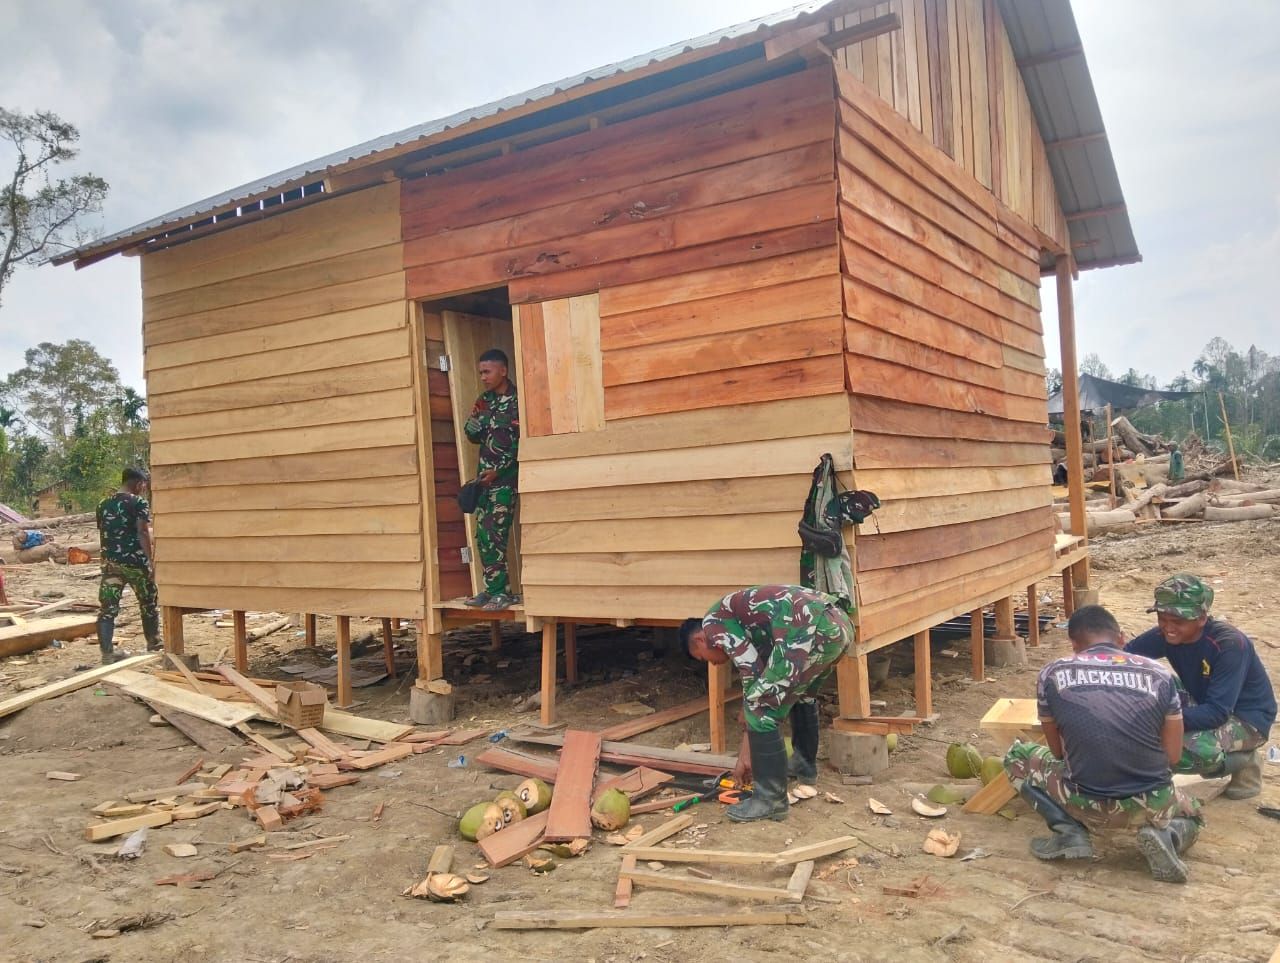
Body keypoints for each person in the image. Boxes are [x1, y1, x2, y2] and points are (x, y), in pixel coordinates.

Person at [1004, 605, 1203, 883]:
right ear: (1121, 638)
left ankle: (1069, 832)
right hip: (1150, 801)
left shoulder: (1052, 674)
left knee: (1016, 756)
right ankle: (1169, 835)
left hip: (1082, 800)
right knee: (1194, 813)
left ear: (1074, 644)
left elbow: (1057, 752)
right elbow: (1173, 756)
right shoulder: (1160, 675)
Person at [680, 585, 853, 823]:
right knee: (801, 695)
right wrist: (747, 747)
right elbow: (762, 674)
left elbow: (752, 674)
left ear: (700, 639)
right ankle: (803, 767)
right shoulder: (745, 623)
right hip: (837, 626)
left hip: (808, 629)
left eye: (702, 657)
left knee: (760, 705)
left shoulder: (713, 623)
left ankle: (770, 801)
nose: (712, 664)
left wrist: (746, 754)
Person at [1125, 574, 1276, 799]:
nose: (1168, 627)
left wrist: (1157, 720)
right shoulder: (1166, 634)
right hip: (1203, 701)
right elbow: (1124, 657)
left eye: (1178, 621)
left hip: (1246, 719)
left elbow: (1216, 713)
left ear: (1202, 618)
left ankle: (1243, 760)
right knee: (1147, 680)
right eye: (1162, 619)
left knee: (1172, 747)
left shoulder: (1229, 645)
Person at [463, 348, 519, 611]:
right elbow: (474, 434)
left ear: (503, 371)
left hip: (505, 480)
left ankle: (501, 594)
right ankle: (492, 590)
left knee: (496, 534)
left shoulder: (517, 402)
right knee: (483, 536)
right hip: (484, 481)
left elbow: (520, 445)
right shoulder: (483, 401)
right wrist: (470, 430)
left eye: (487, 372)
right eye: (481, 372)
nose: (483, 377)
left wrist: (499, 471)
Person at [96, 467, 159, 663]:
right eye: (143, 485)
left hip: (111, 564)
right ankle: (154, 643)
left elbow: (104, 532)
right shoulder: (138, 502)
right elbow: (143, 532)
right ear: (139, 484)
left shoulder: (103, 504)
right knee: (148, 603)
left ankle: (107, 653)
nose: (143, 489)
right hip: (135, 563)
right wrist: (150, 560)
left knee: (108, 608)